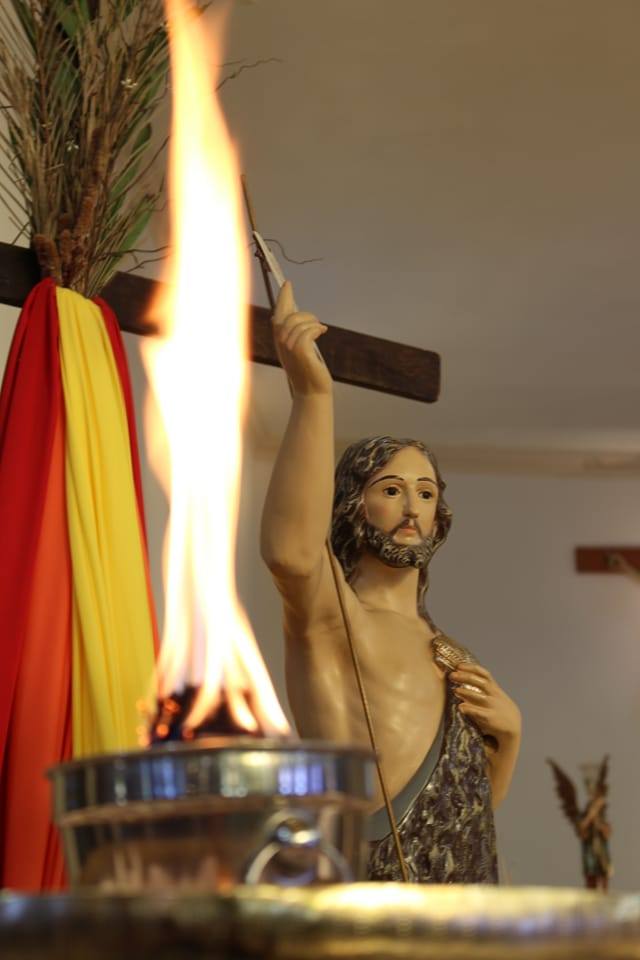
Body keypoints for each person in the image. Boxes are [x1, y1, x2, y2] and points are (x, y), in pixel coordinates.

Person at [260, 282, 521, 883]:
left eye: (425, 493)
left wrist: (509, 738)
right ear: (353, 505)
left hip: (461, 891)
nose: (411, 506)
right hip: (371, 877)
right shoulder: (336, 618)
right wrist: (312, 397)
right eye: (391, 488)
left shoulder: (450, 652)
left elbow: (468, 815)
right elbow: (292, 555)